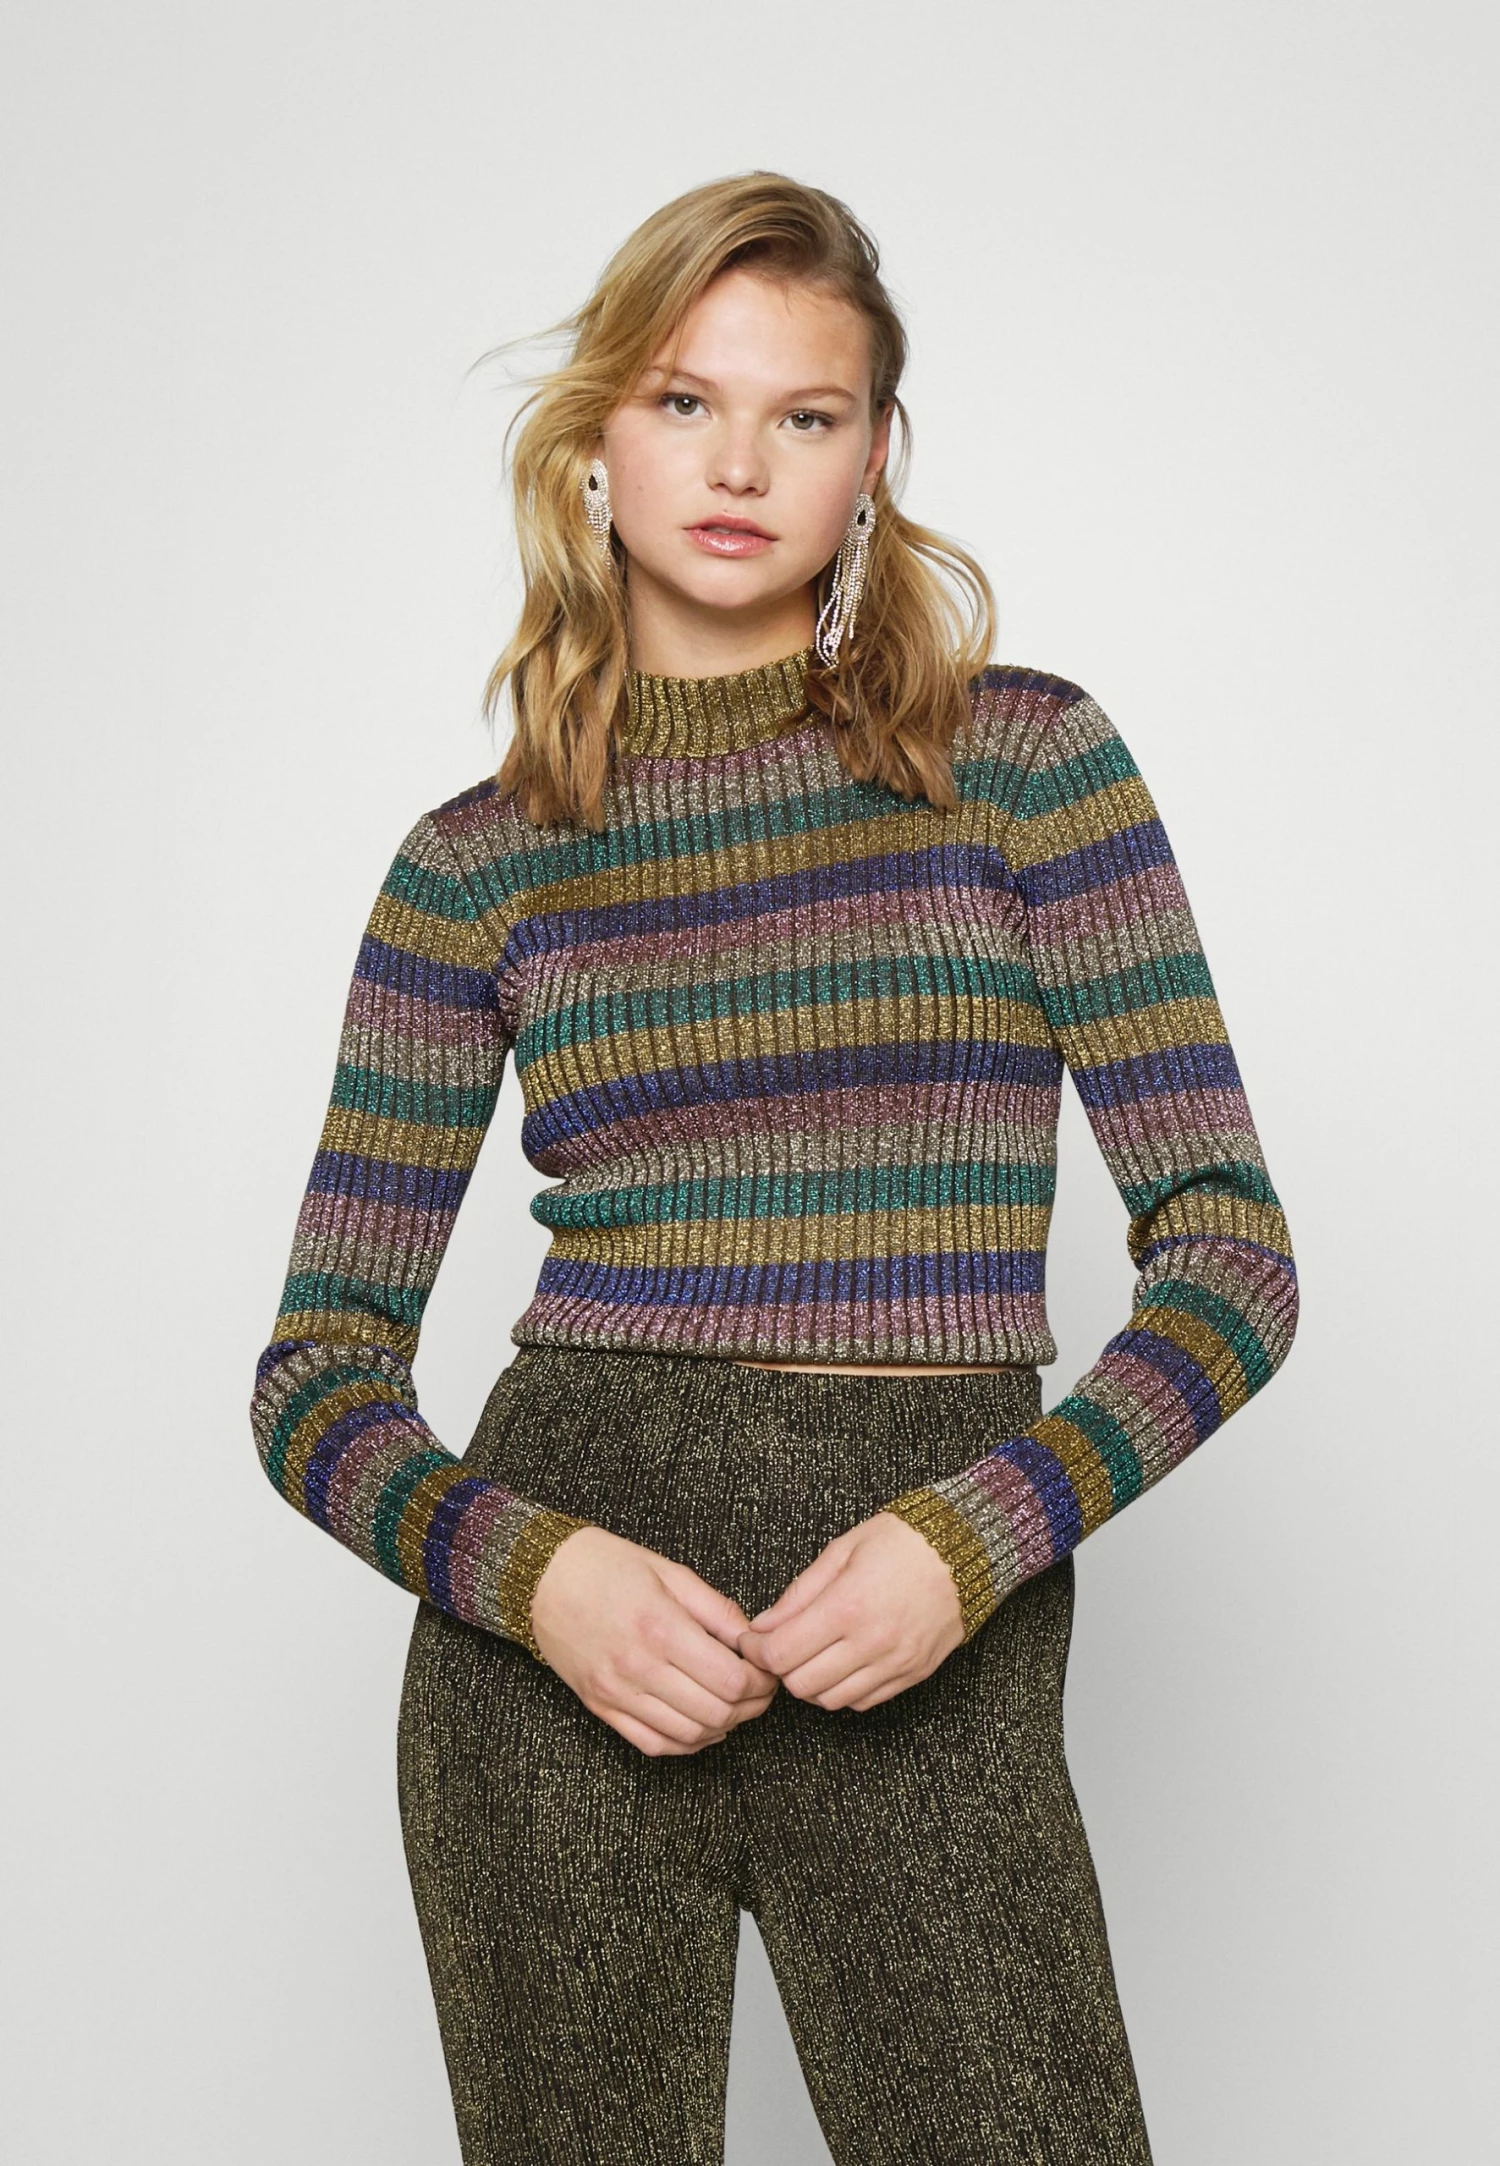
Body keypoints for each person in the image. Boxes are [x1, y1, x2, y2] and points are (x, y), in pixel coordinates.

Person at [249, 170, 1299, 2165]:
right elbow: (315, 1379)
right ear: (596, 440)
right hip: (563, 1663)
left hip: (930, 1634)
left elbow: (1232, 1261)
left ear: (874, 455)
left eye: (802, 415)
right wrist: (536, 1577)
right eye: (684, 401)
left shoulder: (1026, 765)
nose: (740, 464)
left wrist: (979, 1534)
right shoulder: (473, 865)